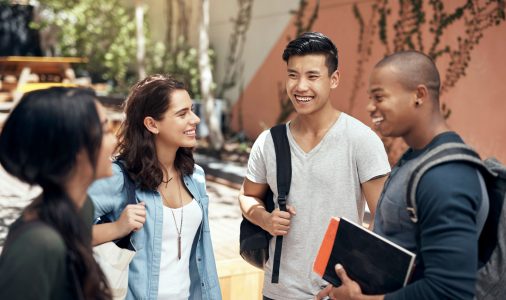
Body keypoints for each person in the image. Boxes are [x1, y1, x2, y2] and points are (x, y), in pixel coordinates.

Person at [316, 51, 485, 300]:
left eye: (379, 97)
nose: (370, 107)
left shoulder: (446, 175)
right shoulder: (415, 158)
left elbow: (450, 291)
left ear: (419, 95)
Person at [238, 32, 391, 300]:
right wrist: (265, 218)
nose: (300, 86)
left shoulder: (361, 139)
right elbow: (249, 195)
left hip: (335, 292)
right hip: (278, 292)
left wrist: (355, 278)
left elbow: (385, 220)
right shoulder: (269, 142)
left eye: (312, 76)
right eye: (293, 75)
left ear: (334, 79)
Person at [89, 74, 221, 300]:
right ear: (151, 124)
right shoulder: (119, 177)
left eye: (192, 109)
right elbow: (66, 232)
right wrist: (117, 228)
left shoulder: (195, 177)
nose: (195, 119)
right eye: (182, 114)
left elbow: (202, 256)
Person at [0, 87, 116, 300]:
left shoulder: (82, 207)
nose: (115, 140)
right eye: (106, 131)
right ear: (76, 149)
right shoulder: (36, 245)